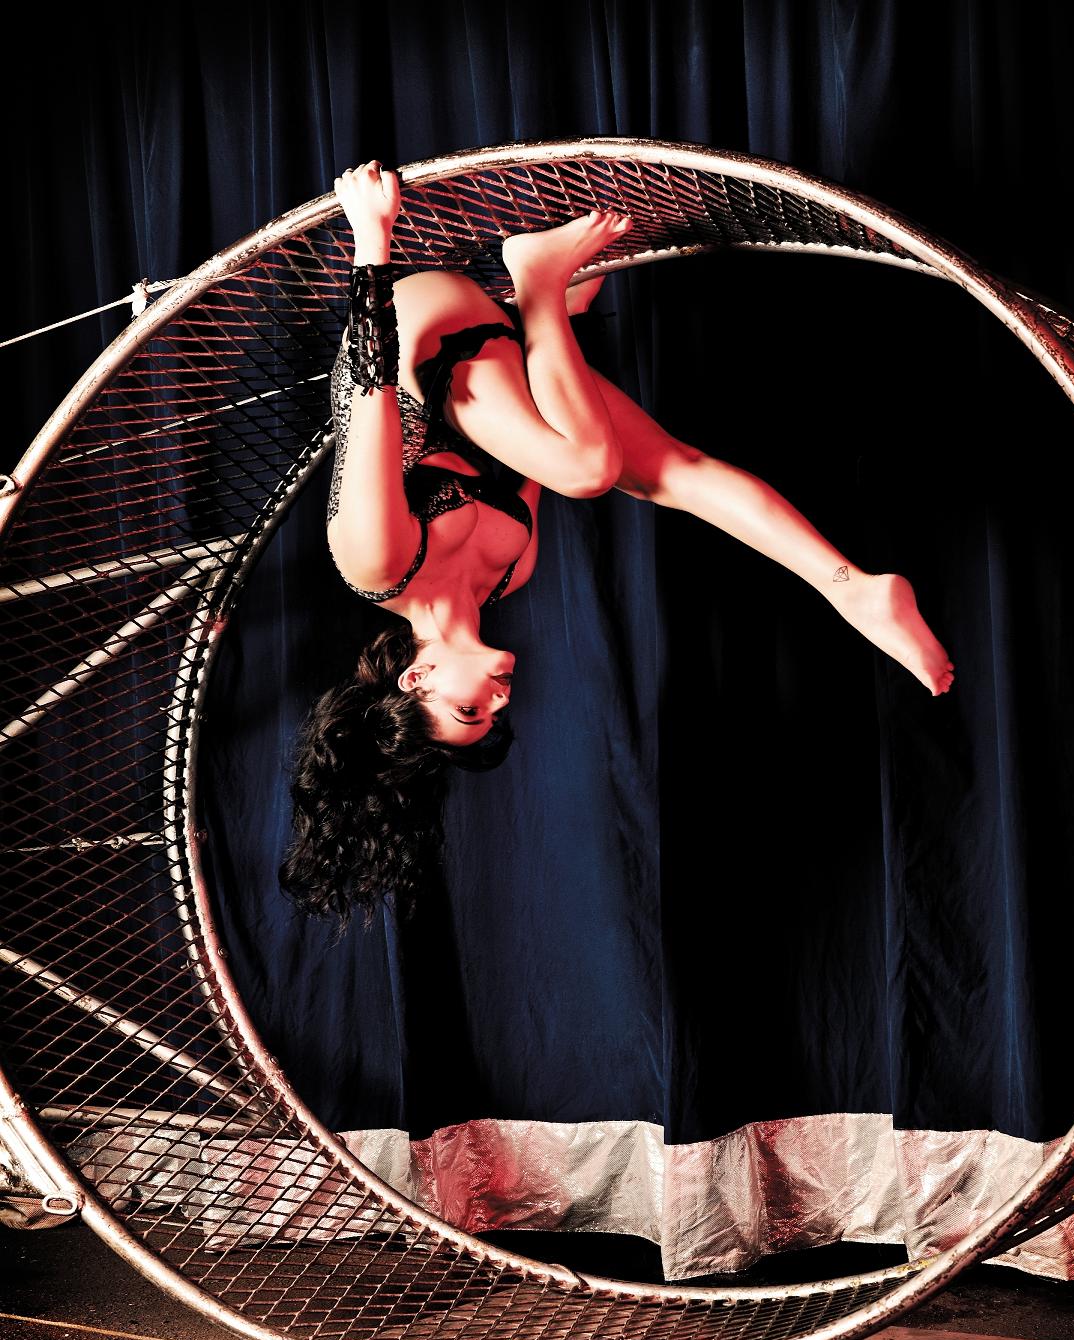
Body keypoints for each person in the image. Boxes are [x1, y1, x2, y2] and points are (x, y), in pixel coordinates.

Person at [280, 161, 955, 926]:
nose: (500, 700)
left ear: (418, 679)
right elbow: (543, 447)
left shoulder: (375, 565)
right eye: (497, 715)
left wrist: (370, 238)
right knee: (667, 473)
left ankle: (538, 286)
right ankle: (851, 587)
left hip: (412, 338)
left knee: (587, 470)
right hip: (491, 372)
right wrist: (549, 349)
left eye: (472, 710)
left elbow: (368, 395)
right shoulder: (511, 572)